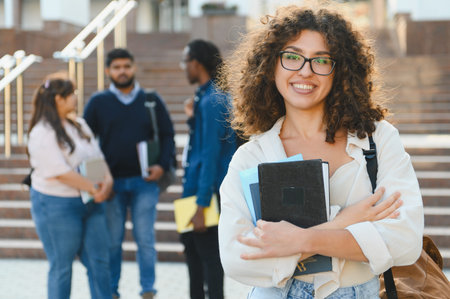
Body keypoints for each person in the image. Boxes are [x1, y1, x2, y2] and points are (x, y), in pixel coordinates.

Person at [218, 5, 424, 299]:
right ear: (270, 65)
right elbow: (238, 259)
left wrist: (300, 240)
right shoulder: (253, 157)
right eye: (292, 56)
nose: (305, 71)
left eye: (321, 60)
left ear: (339, 70)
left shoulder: (376, 140)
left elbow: (405, 241)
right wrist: (343, 222)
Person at [84, 48, 175, 299]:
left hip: (144, 183)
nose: (122, 71)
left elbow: (168, 135)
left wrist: (163, 165)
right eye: (116, 67)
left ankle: (148, 290)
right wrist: (98, 180)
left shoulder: (151, 99)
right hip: (111, 185)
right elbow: (85, 143)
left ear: (133, 68)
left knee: (145, 240)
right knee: (113, 242)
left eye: (126, 66)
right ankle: (112, 292)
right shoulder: (98, 103)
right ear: (108, 71)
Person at [28, 78, 114, 299]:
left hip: (91, 201)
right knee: (62, 267)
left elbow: (97, 156)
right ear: (58, 99)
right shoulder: (41, 132)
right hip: (57, 205)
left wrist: (107, 182)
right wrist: (95, 188)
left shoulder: (79, 124)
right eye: (72, 93)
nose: (76, 97)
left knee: (99, 263)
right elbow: (59, 172)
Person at [180, 39, 237, 299]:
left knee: (209, 262)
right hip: (194, 189)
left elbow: (211, 155)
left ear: (197, 63)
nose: (184, 67)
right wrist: (193, 122)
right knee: (192, 256)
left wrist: (202, 205)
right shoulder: (206, 96)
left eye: (186, 61)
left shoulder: (212, 99)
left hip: (205, 194)